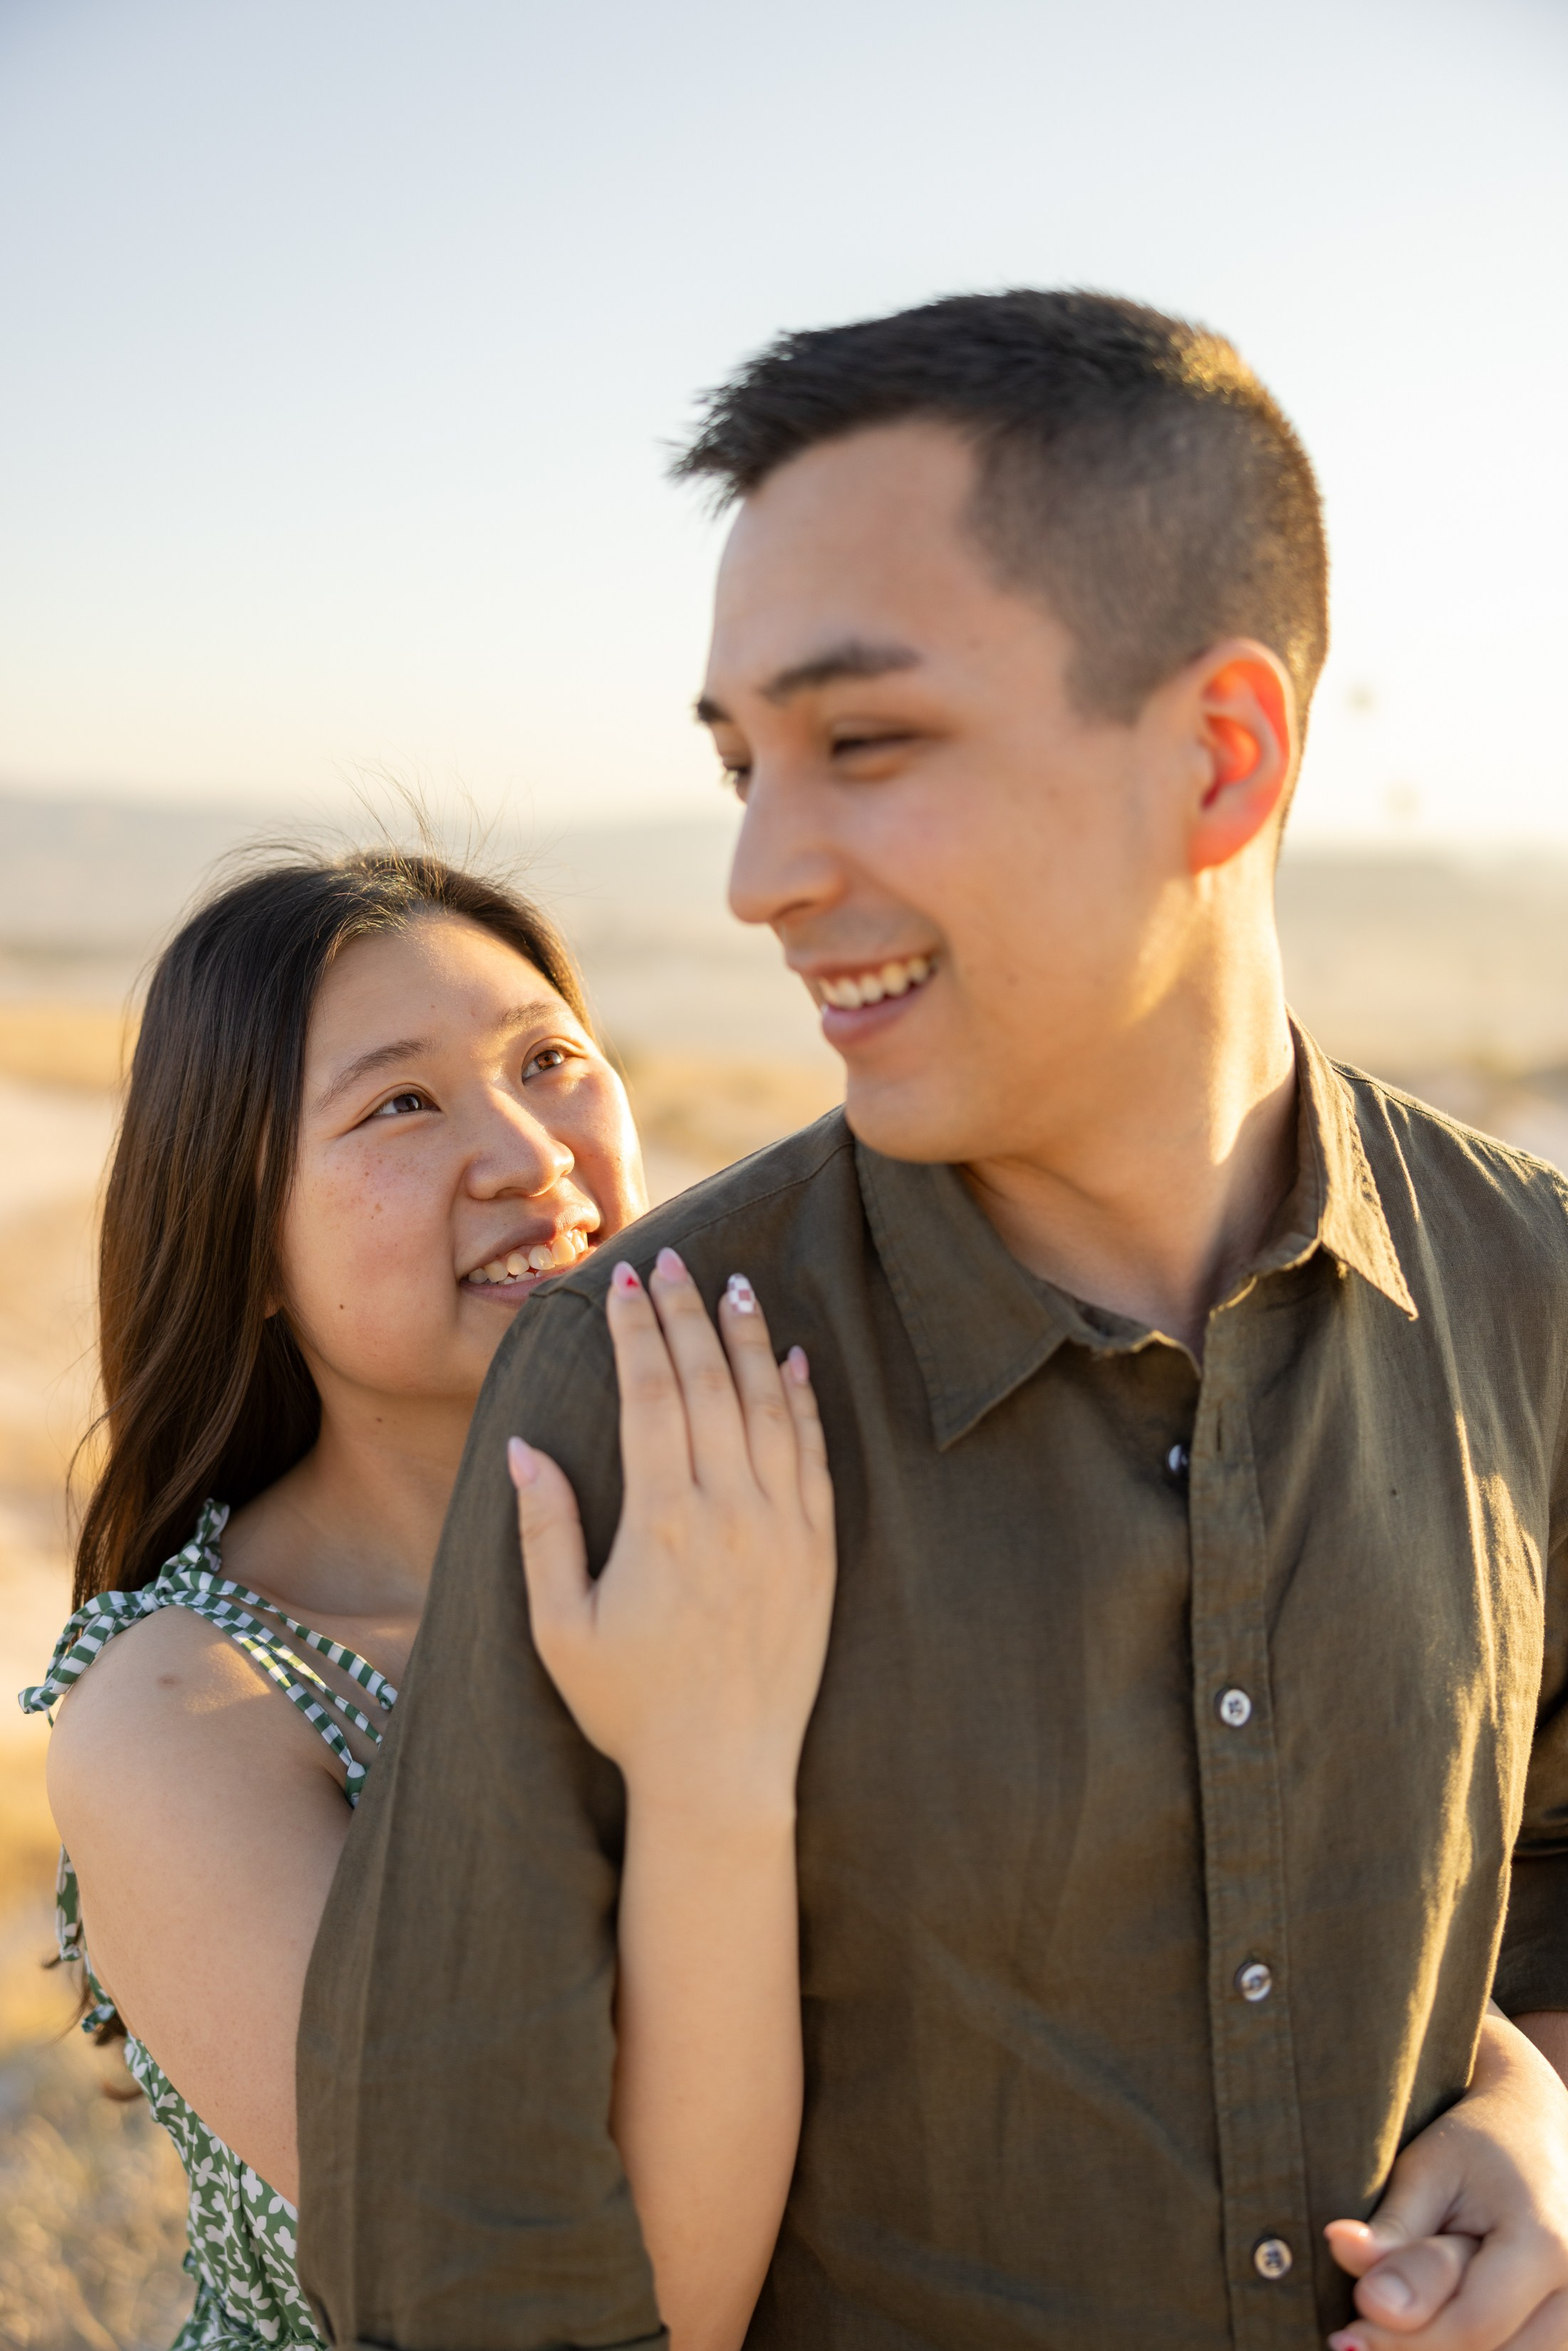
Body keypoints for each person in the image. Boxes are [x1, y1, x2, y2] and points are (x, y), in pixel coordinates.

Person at [297, 293, 1568, 2351]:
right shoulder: (631, 1384)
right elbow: (470, 2277)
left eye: (862, 743)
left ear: (1221, 757)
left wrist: (1541, 2108)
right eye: (738, 765)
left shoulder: (1534, 1294)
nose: (756, 872)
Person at [22, 848, 836, 2351]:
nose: (531, 1154)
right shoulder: (184, 1714)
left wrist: (1431, 2146)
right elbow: (610, 2312)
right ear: (241, 1232)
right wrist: (710, 1760)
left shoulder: (764, 1509)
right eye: (401, 1103)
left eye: (551, 1061)